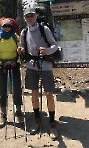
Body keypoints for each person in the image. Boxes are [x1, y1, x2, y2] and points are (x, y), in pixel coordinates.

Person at [17, 8, 59, 140]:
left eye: (32, 15)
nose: (30, 18)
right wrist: (21, 50)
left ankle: (52, 124)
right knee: (34, 94)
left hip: (45, 65)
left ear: (35, 16)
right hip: (31, 66)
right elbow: (22, 46)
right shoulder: (24, 32)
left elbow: (55, 46)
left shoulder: (44, 29)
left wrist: (46, 51)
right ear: (25, 18)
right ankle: (37, 121)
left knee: (49, 94)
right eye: (27, 16)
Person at [0, 18, 23, 129]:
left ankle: (18, 110)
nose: (6, 28)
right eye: (4, 26)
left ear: (11, 27)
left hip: (14, 64)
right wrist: (1, 63)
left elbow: (21, 51)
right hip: (2, 66)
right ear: (1, 27)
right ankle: (3, 114)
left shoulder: (15, 37)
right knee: (2, 89)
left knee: (17, 88)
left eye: (8, 26)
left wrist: (17, 61)